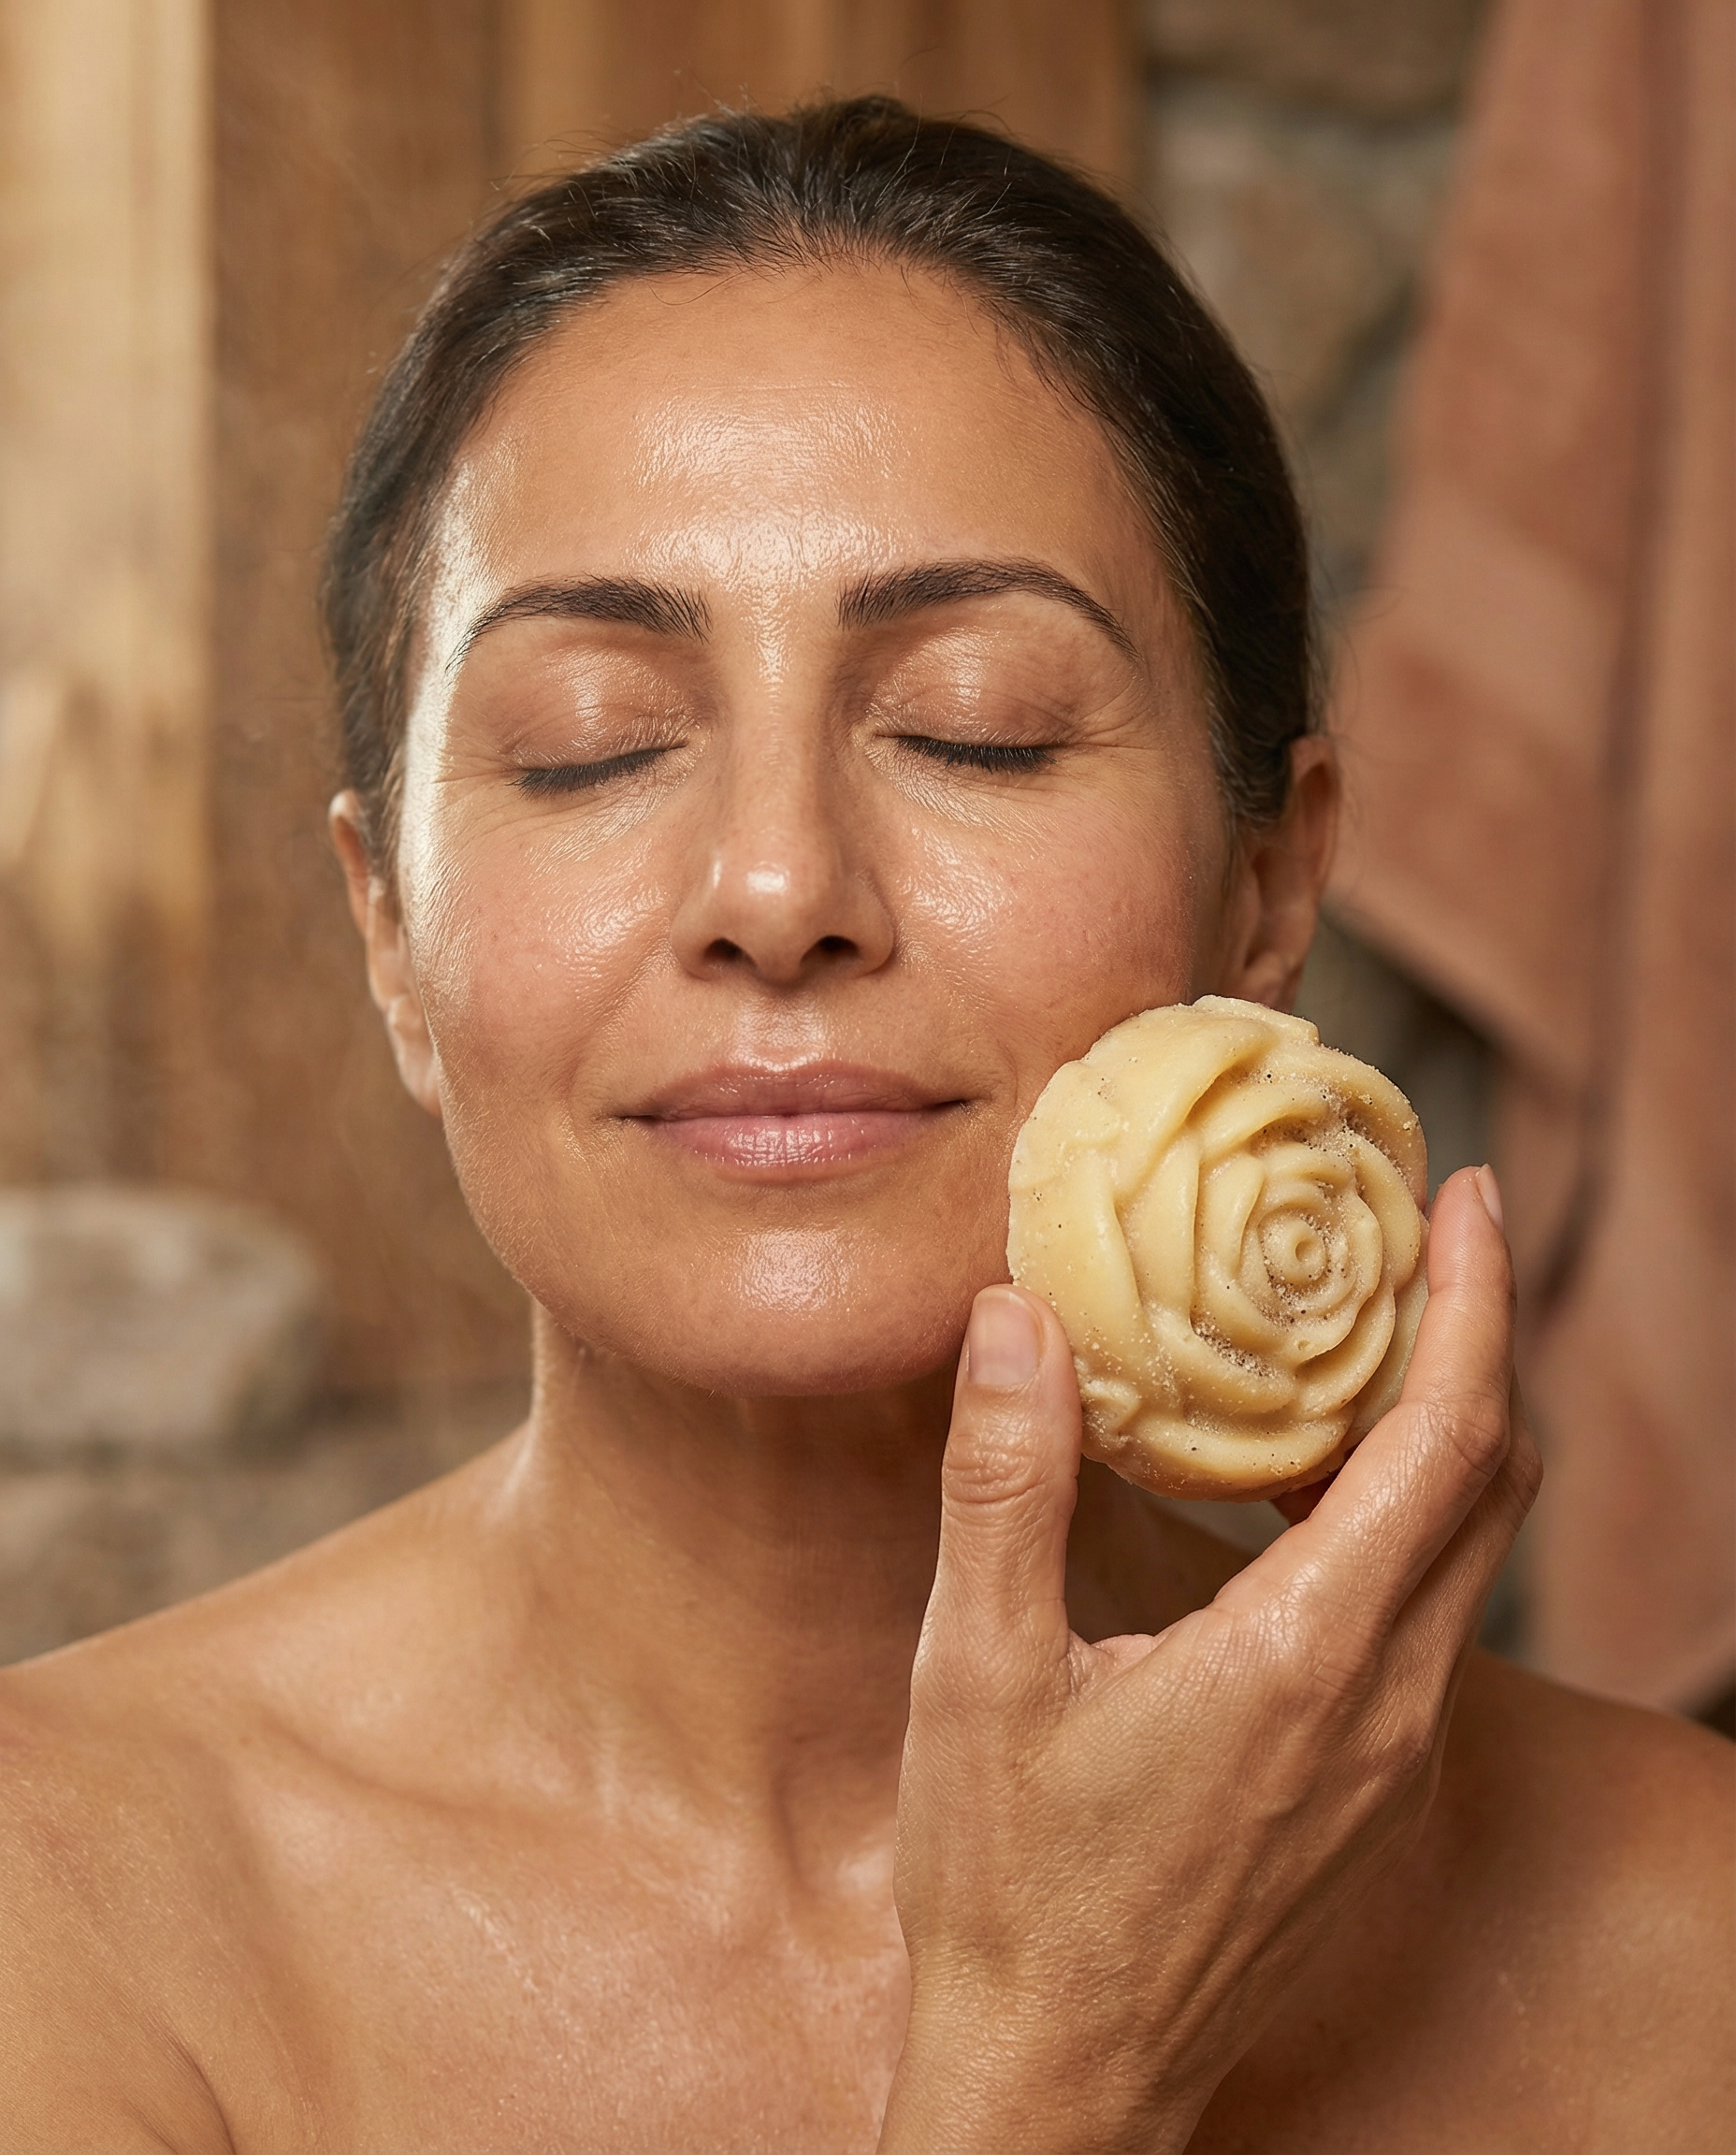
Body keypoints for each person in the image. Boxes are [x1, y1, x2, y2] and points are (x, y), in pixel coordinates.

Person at [1, 100, 1729, 2154]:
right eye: (593, 746)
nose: (775, 886)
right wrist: (1053, 2056)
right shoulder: (74, 1909)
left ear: (1272, 878)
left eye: (974, 723)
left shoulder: (1676, 1943)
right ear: (391, 932)